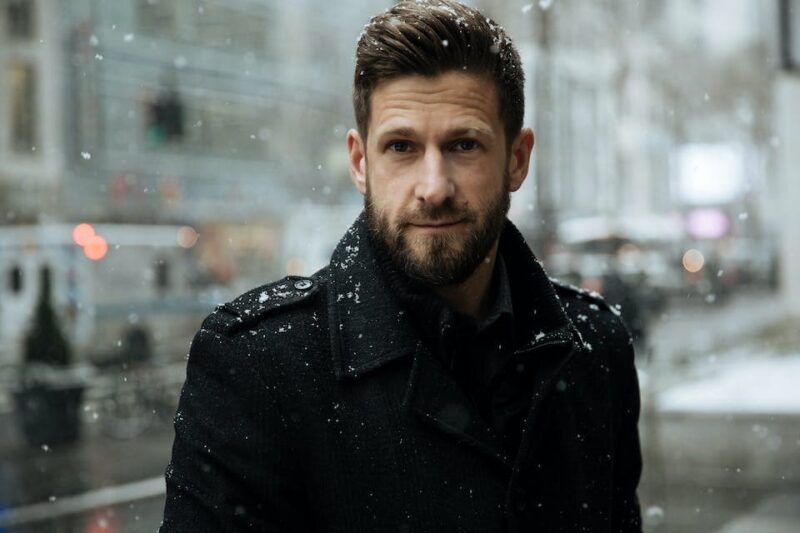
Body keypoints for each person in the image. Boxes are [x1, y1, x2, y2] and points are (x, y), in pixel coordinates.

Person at [160, 1, 643, 531]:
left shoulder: (595, 350)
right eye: (402, 147)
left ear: (517, 159)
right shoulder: (257, 363)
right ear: (360, 162)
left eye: (464, 144)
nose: (433, 187)